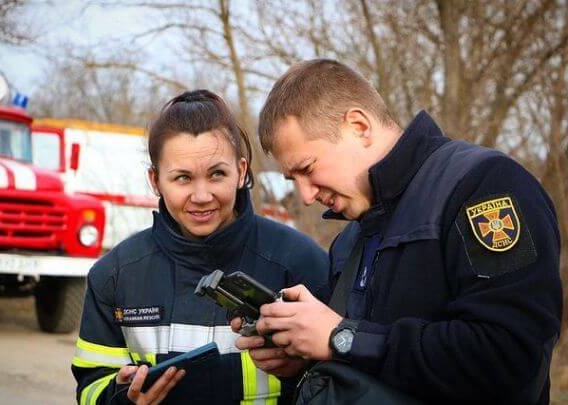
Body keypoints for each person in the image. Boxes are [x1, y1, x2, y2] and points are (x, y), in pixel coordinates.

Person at [235, 59, 562, 404]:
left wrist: (341, 338)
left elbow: (510, 358)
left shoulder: (483, 186)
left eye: (308, 168)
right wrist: (302, 359)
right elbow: (366, 372)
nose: (306, 195)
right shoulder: (350, 241)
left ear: (358, 126)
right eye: (293, 180)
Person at [71, 90, 331, 405]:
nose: (201, 195)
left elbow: (342, 379)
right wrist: (120, 398)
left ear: (242, 171)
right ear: (155, 181)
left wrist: (298, 369)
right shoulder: (114, 275)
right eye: (182, 178)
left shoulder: (301, 262)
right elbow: (90, 388)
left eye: (217, 174)